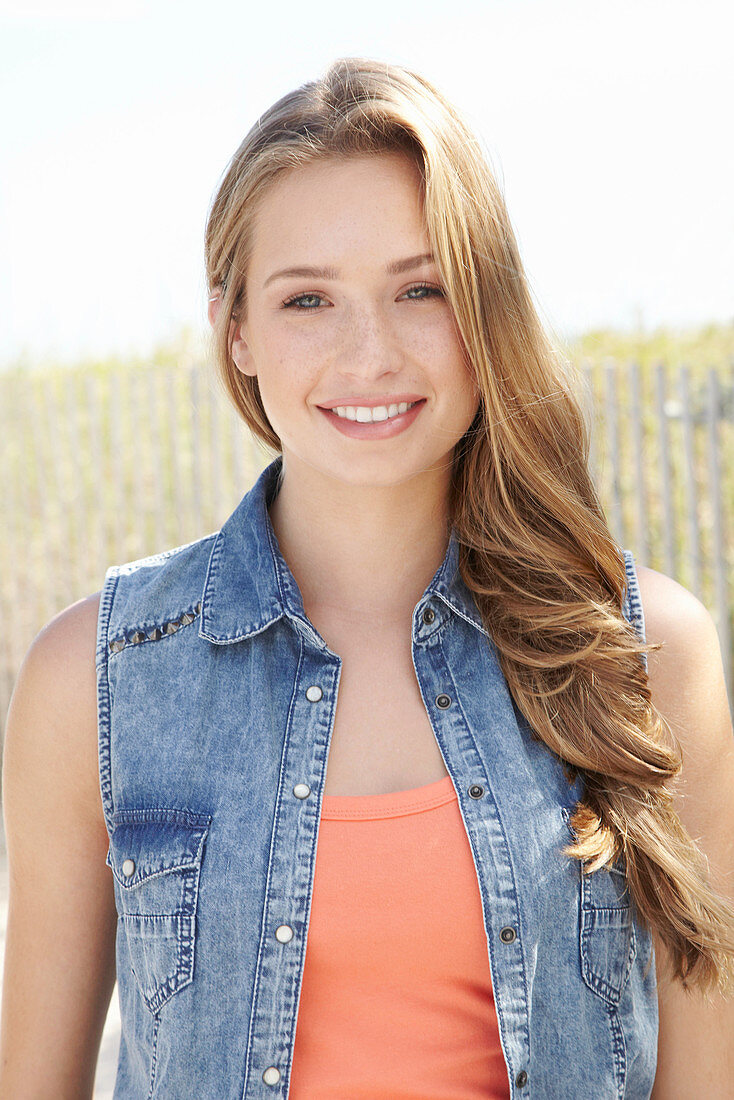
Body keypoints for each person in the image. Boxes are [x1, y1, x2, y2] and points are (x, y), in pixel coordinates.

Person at [1, 56, 733, 1100]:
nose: (369, 352)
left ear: (483, 309)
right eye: (307, 299)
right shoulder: (99, 678)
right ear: (235, 328)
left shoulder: (643, 651)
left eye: (419, 288)